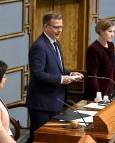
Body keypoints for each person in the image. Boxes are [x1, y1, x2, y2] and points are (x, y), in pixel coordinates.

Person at [25, 11, 84, 142]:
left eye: (61, 27)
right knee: (41, 139)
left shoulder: (56, 43)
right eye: (56, 27)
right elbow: (37, 73)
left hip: (55, 101)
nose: (60, 30)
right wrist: (62, 79)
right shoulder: (39, 46)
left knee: (53, 139)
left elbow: (57, 68)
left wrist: (70, 73)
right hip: (42, 104)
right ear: (45, 27)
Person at [84, 18, 115, 101]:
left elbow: (113, 69)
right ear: (101, 31)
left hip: (110, 89)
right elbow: (92, 75)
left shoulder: (111, 45)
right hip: (97, 92)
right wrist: (97, 95)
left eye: (113, 31)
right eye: (110, 31)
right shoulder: (93, 49)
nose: (112, 34)